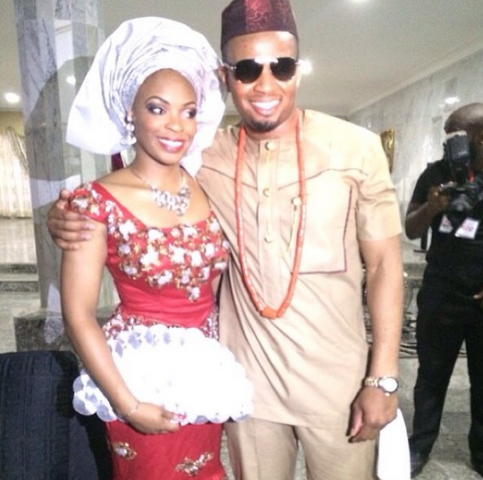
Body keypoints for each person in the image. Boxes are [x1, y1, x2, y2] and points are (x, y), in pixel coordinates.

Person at [48, 0, 404, 478]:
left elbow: (384, 265)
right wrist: (65, 216)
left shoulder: (355, 148)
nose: (265, 84)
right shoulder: (204, 157)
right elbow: (125, 197)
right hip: (246, 386)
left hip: (336, 382)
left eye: (282, 67)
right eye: (248, 69)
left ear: (298, 70)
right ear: (225, 76)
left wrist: (383, 378)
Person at [58, 16, 237, 480]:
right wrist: (128, 404)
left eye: (189, 111)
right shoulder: (95, 200)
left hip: (204, 373)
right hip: (138, 377)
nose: (177, 125)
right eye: (158, 108)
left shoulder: (207, 185)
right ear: (130, 113)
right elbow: (78, 314)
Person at [405, 102, 483, 478]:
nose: (451, 143)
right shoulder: (436, 173)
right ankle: (419, 446)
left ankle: (480, 453)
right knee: (431, 376)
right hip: (441, 294)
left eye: (458, 136)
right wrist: (432, 208)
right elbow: (411, 228)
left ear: (480, 137)